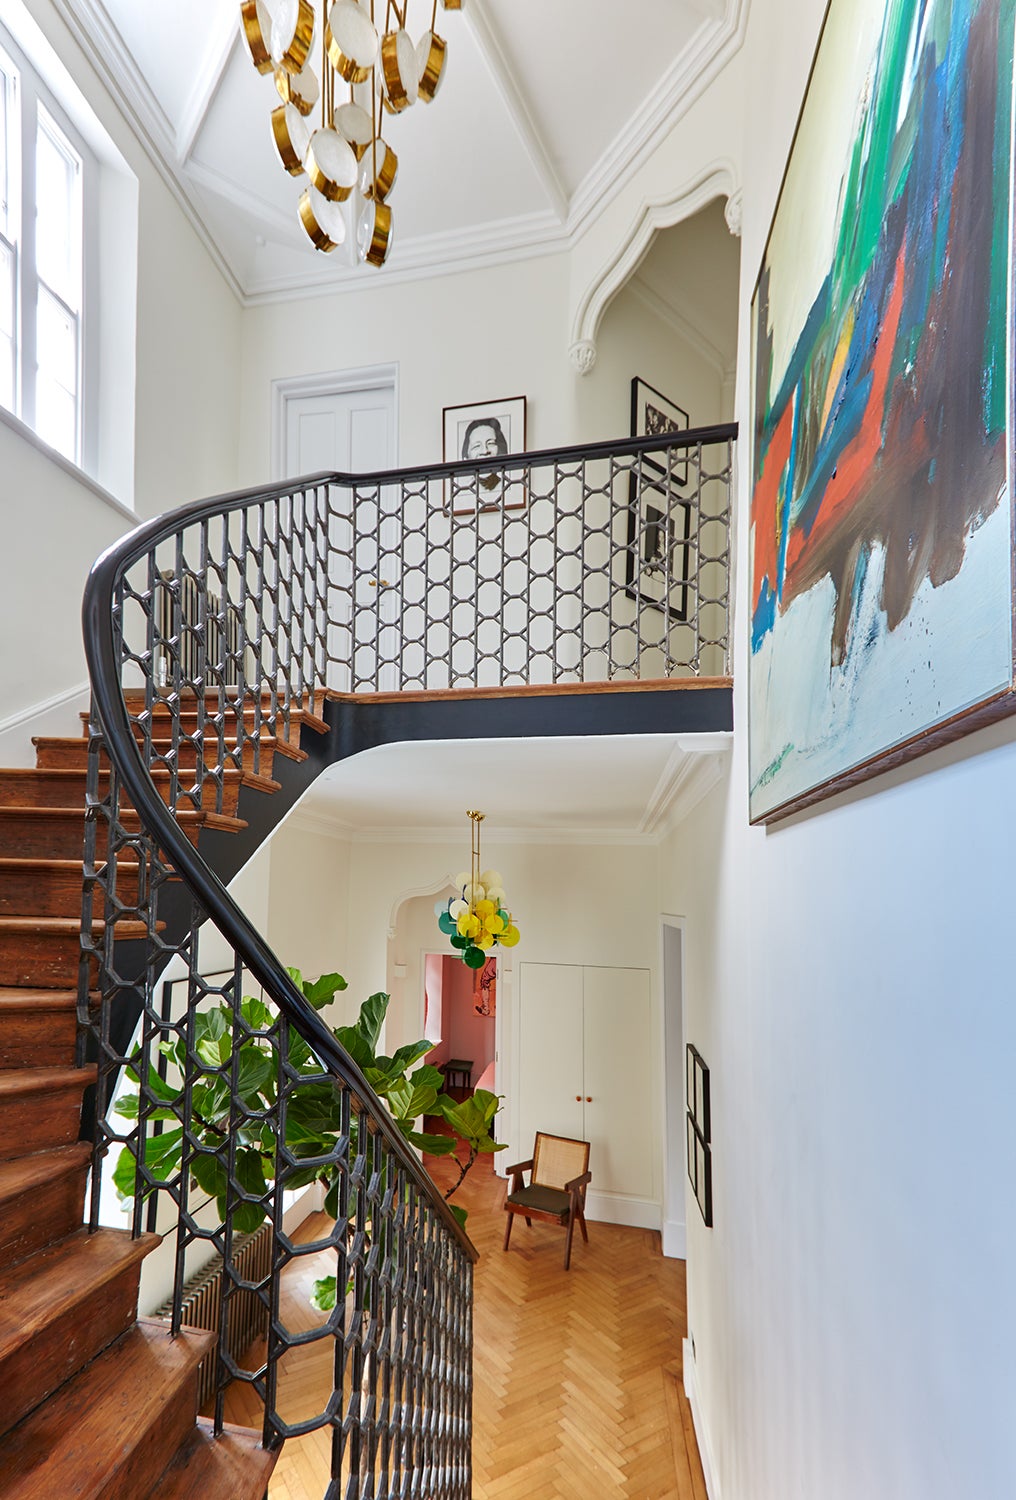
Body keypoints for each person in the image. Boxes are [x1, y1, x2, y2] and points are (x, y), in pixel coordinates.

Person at [461, 415, 508, 493]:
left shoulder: (509, 485)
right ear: (466, 458)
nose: (484, 451)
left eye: (490, 443)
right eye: (476, 446)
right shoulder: (461, 491)